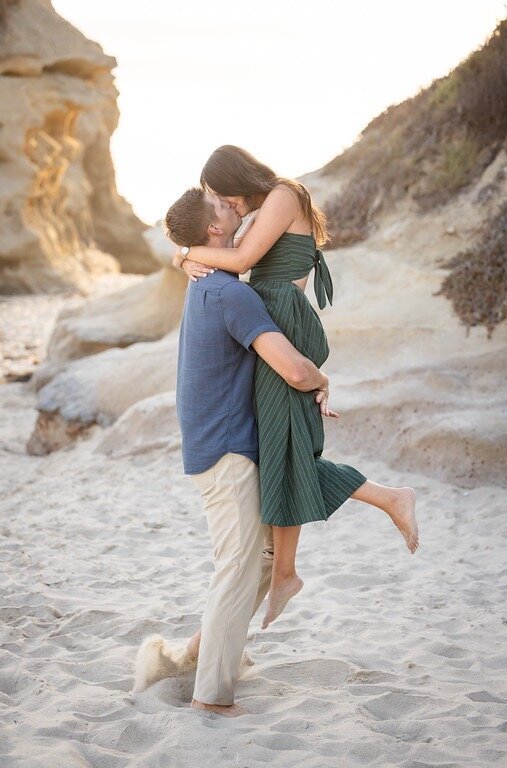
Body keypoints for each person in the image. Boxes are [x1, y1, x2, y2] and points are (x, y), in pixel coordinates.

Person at [173, 145, 419, 632]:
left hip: (280, 322)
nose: (227, 206)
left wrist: (183, 254)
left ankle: (387, 501)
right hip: (270, 320)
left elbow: (238, 258)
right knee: (281, 447)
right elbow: (233, 260)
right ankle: (285, 570)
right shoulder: (265, 207)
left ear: (240, 179)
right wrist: (189, 259)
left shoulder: (284, 195)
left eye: (224, 195)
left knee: (286, 447)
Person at [135, 188, 333, 717]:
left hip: (215, 447)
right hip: (225, 453)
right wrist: (321, 378)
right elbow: (292, 368)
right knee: (239, 567)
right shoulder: (229, 294)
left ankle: (198, 654)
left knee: (261, 561)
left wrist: (184, 254)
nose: (238, 209)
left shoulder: (206, 284)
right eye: (225, 208)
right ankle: (210, 697)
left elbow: (199, 253)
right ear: (215, 233)